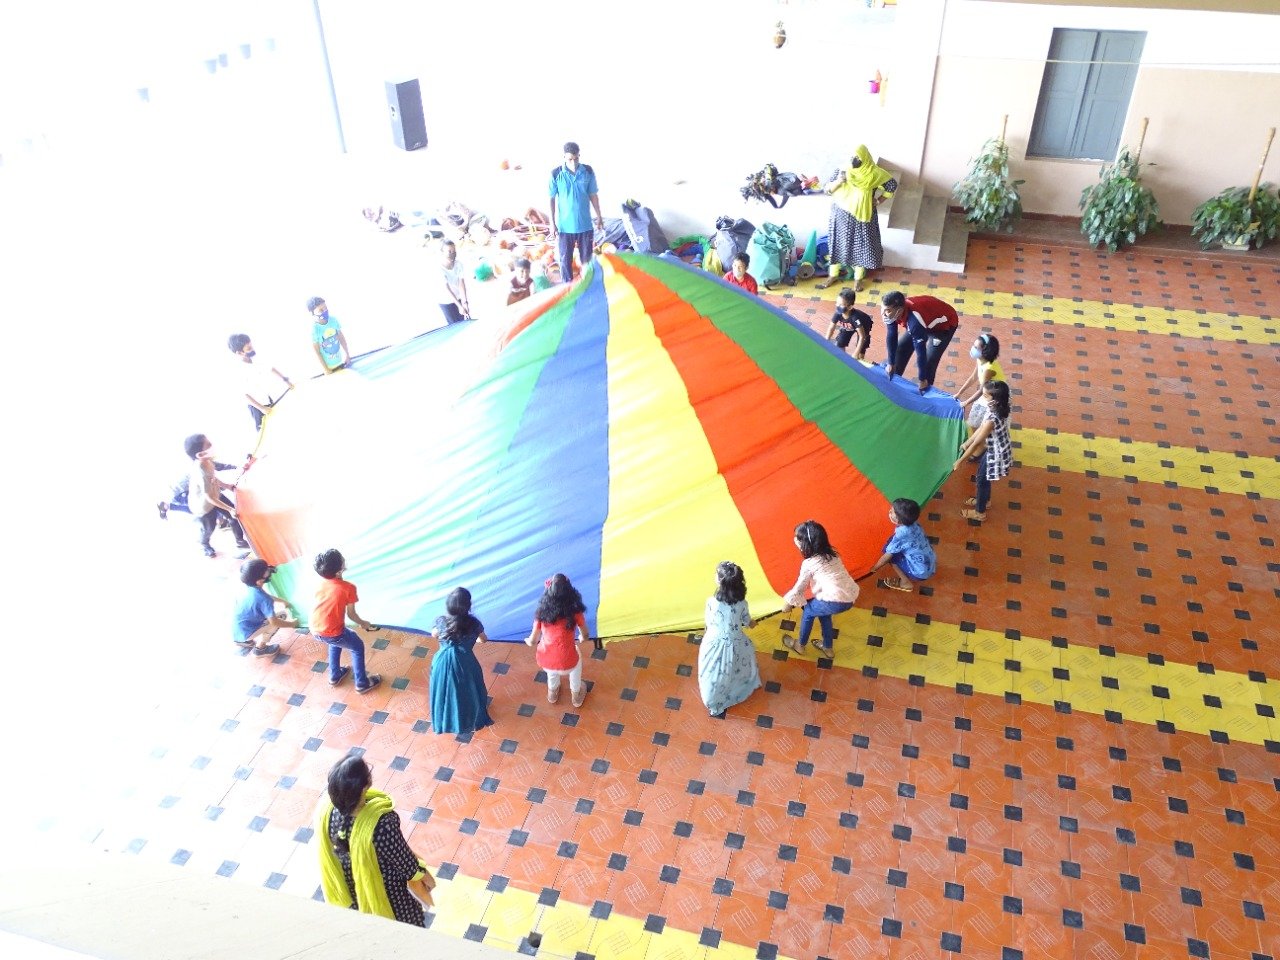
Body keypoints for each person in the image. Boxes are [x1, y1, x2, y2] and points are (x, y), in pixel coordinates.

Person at [317, 752, 435, 927]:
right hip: (388, 896)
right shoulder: (381, 824)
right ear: (365, 785)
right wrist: (426, 877)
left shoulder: (327, 810)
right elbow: (406, 864)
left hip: (352, 890)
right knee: (406, 930)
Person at [816, 146, 896, 292]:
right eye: (853, 156)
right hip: (840, 214)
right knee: (838, 244)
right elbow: (827, 190)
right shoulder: (843, 170)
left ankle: (858, 279)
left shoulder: (875, 173)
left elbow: (891, 185)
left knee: (861, 246)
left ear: (865, 158)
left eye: (859, 157)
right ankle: (832, 275)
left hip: (863, 216)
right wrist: (839, 181)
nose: (854, 160)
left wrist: (878, 201)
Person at [781, 520, 860, 658]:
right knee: (824, 614)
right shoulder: (833, 555)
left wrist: (787, 604)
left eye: (798, 538)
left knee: (808, 611)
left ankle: (800, 645)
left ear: (805, 544)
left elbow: (799, 588)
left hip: (833, 600)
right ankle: (828, 648)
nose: (795, 540)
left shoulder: (809, 563)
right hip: (849, 596)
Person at [311, 549, 382, 693]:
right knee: (357, 646)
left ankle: (335, 675)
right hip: (333, 632)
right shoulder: (348, 588)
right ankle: (362, 683)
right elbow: (351, 614)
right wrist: (363, 623)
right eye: (341, 558)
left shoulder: (320, 584)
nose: (344, 558)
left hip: (316, 629)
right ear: (339, 571)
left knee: (334, 643)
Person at [697, 561, 762, 718]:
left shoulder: (712, 602)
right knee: (736, 666)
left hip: (713, 642)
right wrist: (752, 623)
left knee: (714, 673)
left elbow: (709, 622)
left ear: (720, 582)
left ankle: (713, 700)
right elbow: (747, 621)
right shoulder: (742, 603)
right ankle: (737, 687)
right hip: (736, 642)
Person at [428, 587, 494, 735]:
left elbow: (434, 634)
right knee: (470, 689)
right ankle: (472, 717)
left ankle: (446, 719)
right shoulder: (473, 624)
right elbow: (483, 639)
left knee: (443, 690)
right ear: (468, 606)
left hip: (442, 662)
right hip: (465, 662)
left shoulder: (441, 621)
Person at [525, 573, 590, 708]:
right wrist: (582, 638)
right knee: (576, 657)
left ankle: (552, 693)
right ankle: (576, 694)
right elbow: (585, 634)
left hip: (546, 661)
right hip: (568, 662)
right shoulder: (575, 613)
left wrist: (527, 641)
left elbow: (533, 641)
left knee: (552, 668)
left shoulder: (541, 613)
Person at [879, 290, 962, 393]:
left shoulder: (914, 322)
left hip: (943, 327)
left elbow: (921, 353)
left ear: (899, 311)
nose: (883, 313)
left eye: (887, 310)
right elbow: (892, 335)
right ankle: (892, 381)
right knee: (900, 349)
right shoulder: (891, 313)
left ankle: (925, 391)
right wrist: (891, 363)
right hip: (925, 319)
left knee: (929, 361)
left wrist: (922, 379)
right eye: (882, 308)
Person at [955, 380, 1013, 523]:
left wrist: (960, 461)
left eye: (986, 395)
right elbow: (980, 428)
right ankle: (985, 501)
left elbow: (977, 443)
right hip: (996, 448)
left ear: (995, 399)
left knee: (981, 479)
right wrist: (967, 442)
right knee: (984, 477)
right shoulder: (995, 406)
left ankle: (979, 513)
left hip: (995, 453)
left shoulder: (992, 419)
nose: (983, 397)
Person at [185, 433, 250, 558]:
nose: (212, 446)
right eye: (208, 445)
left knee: (235, 516)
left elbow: (214, 478)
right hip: (205, 506)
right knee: (208, 528)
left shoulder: (207, 461)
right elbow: (209, 497)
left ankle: (240, 541)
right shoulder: (200, 472)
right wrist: (229, 509)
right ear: (200, 455)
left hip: (215, 495)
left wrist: (227, 486)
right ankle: (204, 544)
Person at [548, 141, 603, 285]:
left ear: (579, 156)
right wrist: (552, 223)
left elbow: (593, 195)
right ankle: (568, 287)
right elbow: (551, 199)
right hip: (565, 227)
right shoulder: (556, 174)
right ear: (564, 157)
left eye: (576, 158)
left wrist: (599, 216)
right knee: (565, 260)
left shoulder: (588, 171)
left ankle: (587, 285)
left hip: (585, 225)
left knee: (587, 261)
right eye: (570, 159)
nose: (573, 162)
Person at [868, 498, 937, 593]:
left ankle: (905, 583)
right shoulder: (915, 524)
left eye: (892, 512)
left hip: (919, 572)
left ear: (898, 520)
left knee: (891, 555)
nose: (889, 512)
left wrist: (874, 568)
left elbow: (886, 557)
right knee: (892, 545)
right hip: (930, 563)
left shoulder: (901, 535)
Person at [233, 558, 299, 656]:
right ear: (259, 581)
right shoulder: (264, 599)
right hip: (247, 631)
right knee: (280, 618)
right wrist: (292, 624)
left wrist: (282, 601)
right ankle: (260, 648)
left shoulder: (250, 587)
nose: (269, 570)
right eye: (266, 570)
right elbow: (274, 622)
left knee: (280, 615)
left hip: (239, 628)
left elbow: (264, 597)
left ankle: (243, 641)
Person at [228, 333, 292, 431]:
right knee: (263, 431)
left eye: (251, 345)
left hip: (268, 400)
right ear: (240, 353)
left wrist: (286, 380)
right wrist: (261, 408)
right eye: (249, 348)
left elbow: (271, 368)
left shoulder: (256, 360)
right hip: (257, 407)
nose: (253, 349)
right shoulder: (239, 370)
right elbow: (245, 395)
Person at [952, 333, 1005, 429]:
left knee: (985, 424)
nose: (973, 349)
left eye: (976, 348)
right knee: (975, 422)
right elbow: (973, 377)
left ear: (985, 351)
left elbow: (981, 391)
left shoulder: (989, 369)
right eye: (974, 346)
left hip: (995, 397)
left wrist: (965, 403)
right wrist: (959, 393)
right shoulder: (980, 359)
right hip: (987, 392)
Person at [824, 288, 873, 359]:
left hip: (863, 325)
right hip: (849, 326)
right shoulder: (838, 313)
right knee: (840, 342)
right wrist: (825, 342)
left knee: (862, 346)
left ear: (850, 307)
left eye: (841, 305)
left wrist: (856, 353)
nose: (837, 306)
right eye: (837, 303)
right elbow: (831, 328)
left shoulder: (855, 318)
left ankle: (861, 358)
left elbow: (862, 336)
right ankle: (842, 357)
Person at [309, 297, 351, 374]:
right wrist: (325, 369)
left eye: (325, 308)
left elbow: (341, 338)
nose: (325, 311)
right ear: (313, 313)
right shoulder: (315, 329)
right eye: (321, 310)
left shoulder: (333, 320)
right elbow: (317, 351)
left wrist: (347, 355)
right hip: (329, 368)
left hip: (341, 363)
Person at [436, 240, 471, 324]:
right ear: (442, 252)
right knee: (454, 324)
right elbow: (447, 289)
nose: (452, 253)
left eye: (454, 251)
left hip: (458, 297)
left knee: (466, 321)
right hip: (445, 301)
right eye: (449, 251)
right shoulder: (439, 269)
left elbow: (461, 284)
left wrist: (464, 303)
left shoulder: (458, 264)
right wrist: (459, 306)